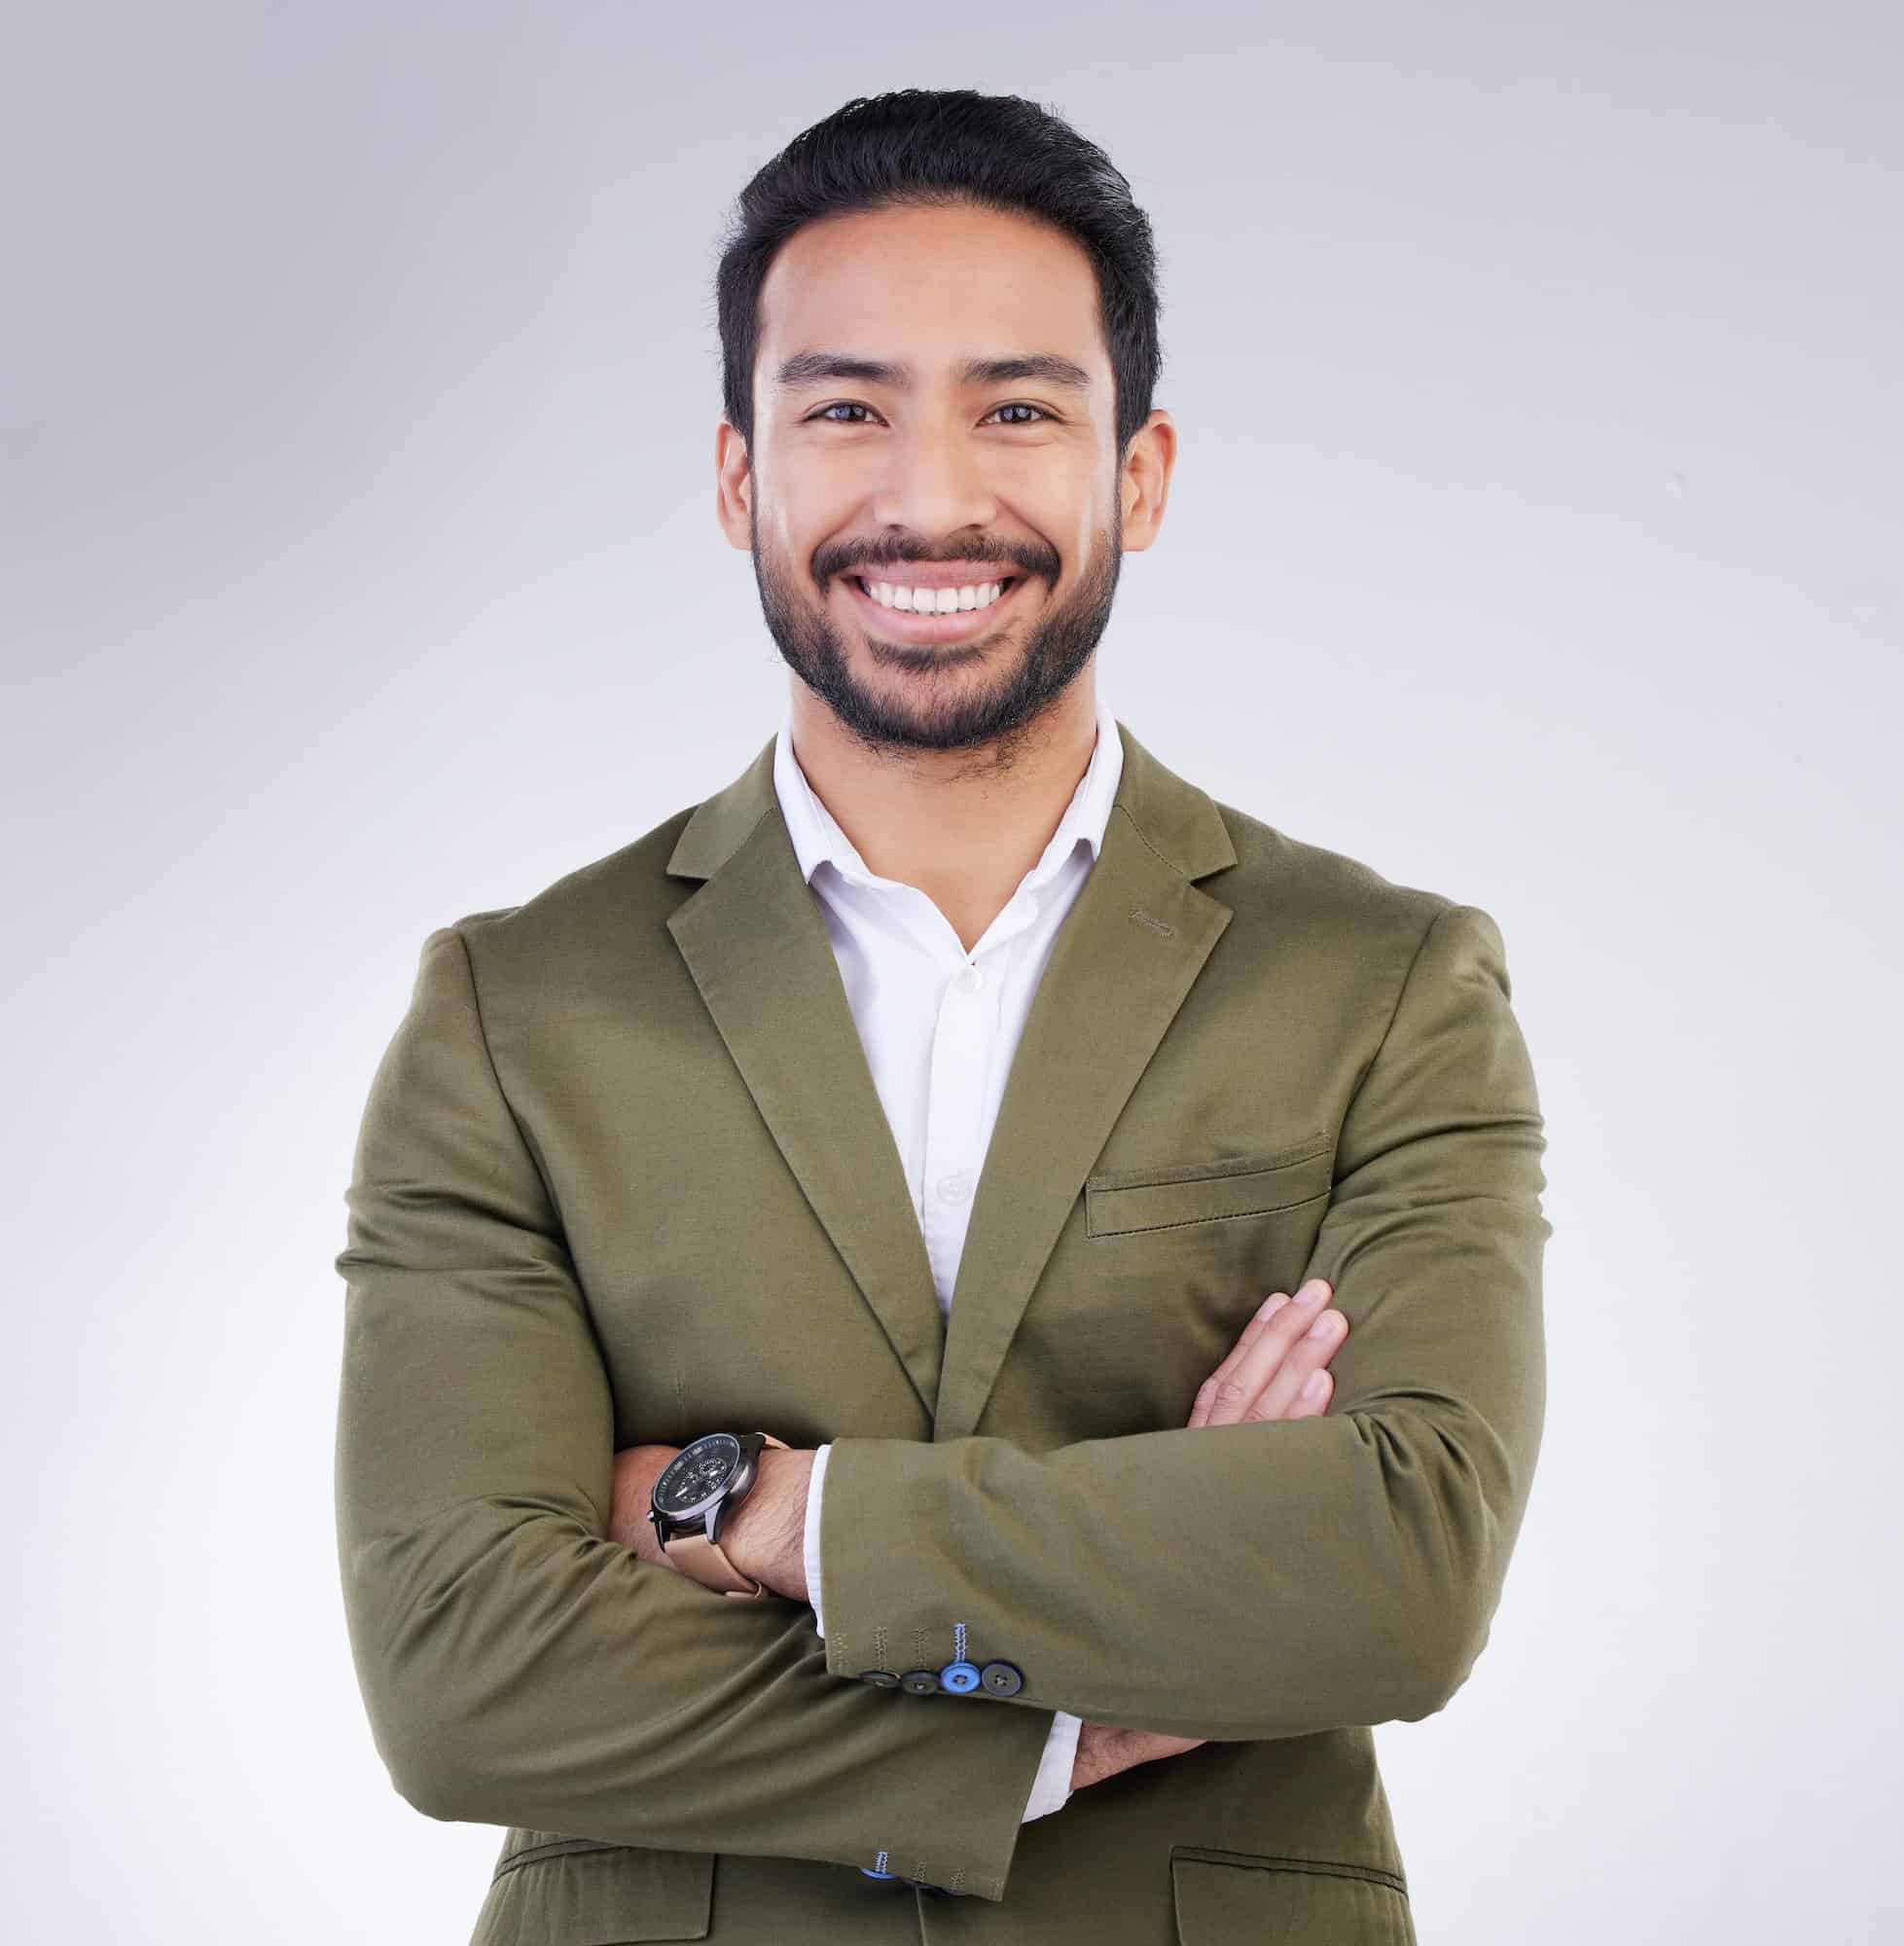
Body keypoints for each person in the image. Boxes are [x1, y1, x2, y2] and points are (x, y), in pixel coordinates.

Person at [333, 88, 1551, 1945]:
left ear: (1135, 472)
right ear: (740, 475)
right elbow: (459, 1673)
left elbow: (1402, 1572)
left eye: (1015, 408)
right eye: (844, 408)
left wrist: (767, 1515)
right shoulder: (513, 1010)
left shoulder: (1386, 984)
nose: (928, 496)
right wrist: (1075, 1701)